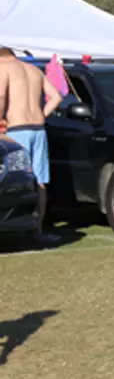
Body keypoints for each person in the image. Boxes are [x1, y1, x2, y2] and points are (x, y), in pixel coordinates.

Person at [0, 48, 63, 242]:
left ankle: (16, 225)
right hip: (38, 128)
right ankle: (38, 229)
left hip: (16, 129)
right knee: (40, 180)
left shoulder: (4, 68)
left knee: (16, 177)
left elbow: (1, 96)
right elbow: (56, 97)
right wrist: (41, 115)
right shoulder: (34, 70)